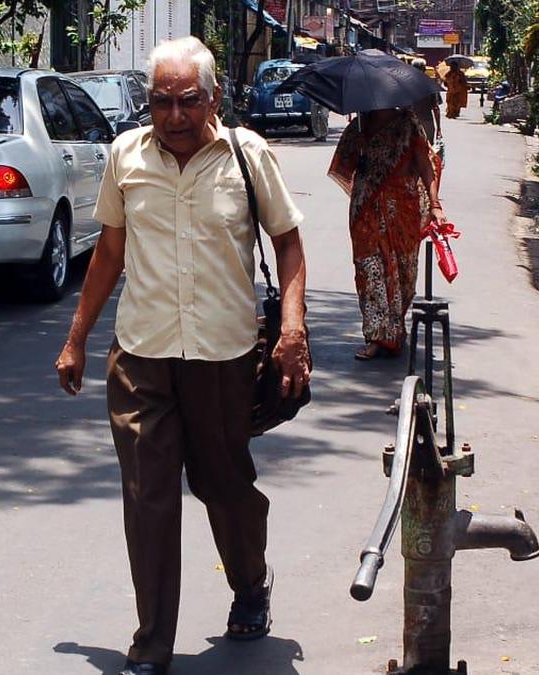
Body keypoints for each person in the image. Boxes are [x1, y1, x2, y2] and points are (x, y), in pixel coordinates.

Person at [54, 36, 311, 675]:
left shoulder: (247, 156)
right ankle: (151, 646)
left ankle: (250, 583)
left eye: (187, 101)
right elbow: (108, 253)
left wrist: (293, 330)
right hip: (142, 353)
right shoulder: (126, 157)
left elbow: (289, 244)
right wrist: (77, 335)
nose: (173, 115)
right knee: (148, 497)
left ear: (213, 98)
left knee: (224, 488)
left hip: (222, 357)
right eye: (161, 102)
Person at [328, 108, 447, 360]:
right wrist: (359, 150)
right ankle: (376, 335)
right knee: (369, 270)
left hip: (403, 209)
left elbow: (425, 165)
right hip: (366, 209)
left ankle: (395, 329)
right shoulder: (358, 126)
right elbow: (344, 166)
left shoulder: (408, 124)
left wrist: (435, 205)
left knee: (404, 273)